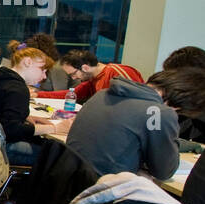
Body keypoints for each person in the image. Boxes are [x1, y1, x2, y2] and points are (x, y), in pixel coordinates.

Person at [64, 70, 201, 180]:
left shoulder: (102, 94)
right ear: (179, 102)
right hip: (105, 195)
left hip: (72, 182)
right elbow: (164, 172)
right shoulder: (158, 111)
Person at [0, 47, 68, 165]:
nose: (44, 76)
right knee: (61, 157)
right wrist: (56, 128)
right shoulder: (18, 89)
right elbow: (12, 130)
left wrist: (26, 117)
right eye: (42, 70)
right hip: (0, 149)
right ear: (28, 62)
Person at [37, 50, 143, 104]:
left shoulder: (118, 72)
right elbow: (72, 94)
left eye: (73, 74)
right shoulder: (93, 79)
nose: (73, 78)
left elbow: (139, 101)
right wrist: (37, 95)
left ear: (85, 68)